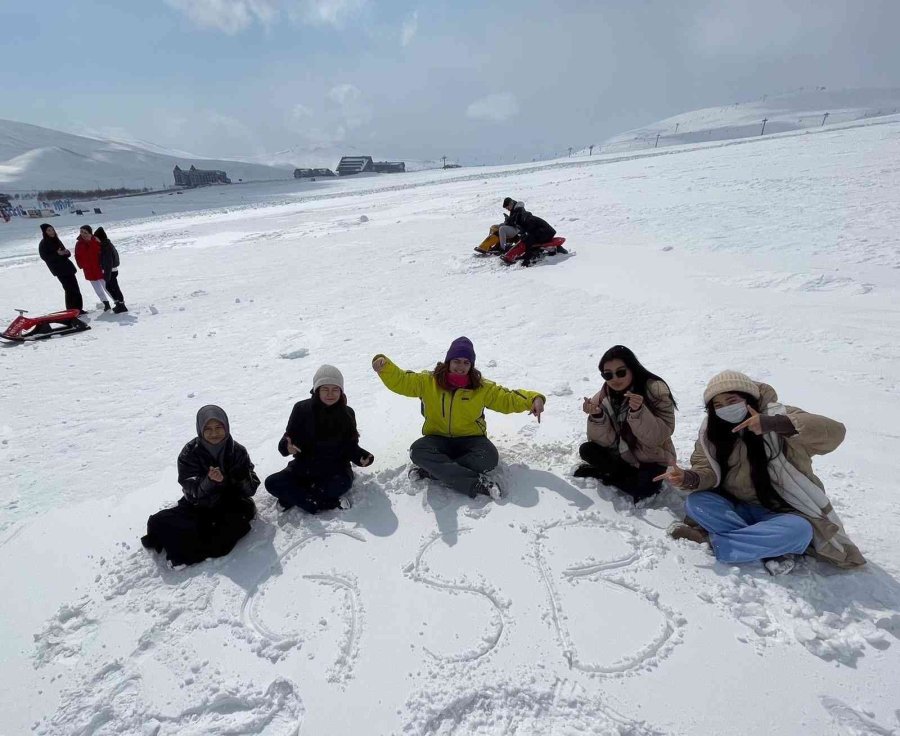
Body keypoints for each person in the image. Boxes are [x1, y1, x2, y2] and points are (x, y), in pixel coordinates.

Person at [657, 370, 865, 575]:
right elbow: (706, 470)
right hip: (738, 507)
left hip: (784, 512)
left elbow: (835, 433)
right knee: (697, 503)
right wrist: (688, 478)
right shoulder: (711, 432)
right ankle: (765, 544)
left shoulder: (780, 417)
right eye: (718, 406)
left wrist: (774, 424)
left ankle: (710, 542)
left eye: (732, 400)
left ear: (748, 398)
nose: (725, 409)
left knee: (801, 531)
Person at [372, 337, 545, 499]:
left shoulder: (482, 388)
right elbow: (403, 381)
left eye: (466, 362)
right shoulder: (428, 381)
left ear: (471, 365)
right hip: (437, 439)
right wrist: (385, 366)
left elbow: (507, 398)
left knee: (489, 458)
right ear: (448, 362)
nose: (460, 366)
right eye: (456, 361)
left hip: (471, 441)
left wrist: (533, 399)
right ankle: (474, 485)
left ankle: (433, 472)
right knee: (417, 451)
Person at [141, 405, 259, 566]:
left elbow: (249, 490)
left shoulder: (238, 451)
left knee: (224, 538)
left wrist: (240, 477)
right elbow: (191, 491)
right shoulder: (189, 453)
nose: (214, 433)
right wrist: (208, 482)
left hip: (231, 504)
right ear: (200, 429)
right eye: (208, 429)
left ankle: (184, 550)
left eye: (219, 427)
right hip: (200, 505)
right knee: (158, 521)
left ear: (226, 427)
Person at [265, 365, 374, 513]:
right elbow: (287, 440)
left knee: (342, 483)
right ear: (317, 390)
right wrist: (286, 447)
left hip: (336, 470)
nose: (330, 394)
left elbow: (350, 446)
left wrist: (361, 457)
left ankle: (294, 498)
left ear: (341, 391)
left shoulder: (347, 413)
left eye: (335, 389)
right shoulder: (301, 409)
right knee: (272, 482)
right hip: (304, 467)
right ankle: (326, 503)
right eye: (325, 389)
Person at [575, 345, 677, 502]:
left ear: (632, 369)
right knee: (587, 450)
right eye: (608, 375)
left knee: (644, 490)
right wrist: (598, 416)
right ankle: (619, 476)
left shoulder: (656, 392)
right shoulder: (604, 396)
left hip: (651, 458)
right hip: (621, 454)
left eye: (621, 372)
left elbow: (657, 438)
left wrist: (638, 413)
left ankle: (608, 475)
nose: (615, 379)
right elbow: (602, 441)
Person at [38, 224, 83, 312]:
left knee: (76, 289)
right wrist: (57, 254)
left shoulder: (56, 240)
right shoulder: (43, 244)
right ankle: (71, 310)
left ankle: (79, 309)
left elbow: (66, 253)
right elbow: (45, 258)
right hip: (59, 270)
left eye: (52, 229)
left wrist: (66, 252)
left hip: (68, 268)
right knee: (69, 290)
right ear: (45, 232)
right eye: (49, 230)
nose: (52, 232)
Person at [502, 197, 557, 265]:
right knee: (526, 239)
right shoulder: (521, 215)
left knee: (529, 240)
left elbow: (531, 229)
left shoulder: (524, 218)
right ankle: (526, 255)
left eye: (507, 207)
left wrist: (526, 259)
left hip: (546, 232)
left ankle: (528, 259)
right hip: (542, 231)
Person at [74, 225, 112, 311]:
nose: (83, 234)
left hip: (99, 268)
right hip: (88, 270)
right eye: (81, 232)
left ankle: (116, 301)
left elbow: (103, 252)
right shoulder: (79, 243)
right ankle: (105, 303)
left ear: (90, 233)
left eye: (85, 232)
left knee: (107, 287)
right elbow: (77, 256)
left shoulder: (96, 240)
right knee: (97, 289)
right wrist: (81, 265)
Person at [94, 227, 128, 313]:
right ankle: (118, 303)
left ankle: (121, 305)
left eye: (96, 237)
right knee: (109, 287)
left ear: (100, 237)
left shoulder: (106, 246)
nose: (95, 239)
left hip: (110, 271)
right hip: (110, 270)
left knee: (114, 287)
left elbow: (108, 262)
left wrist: (106, 274)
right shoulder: (105, 245)